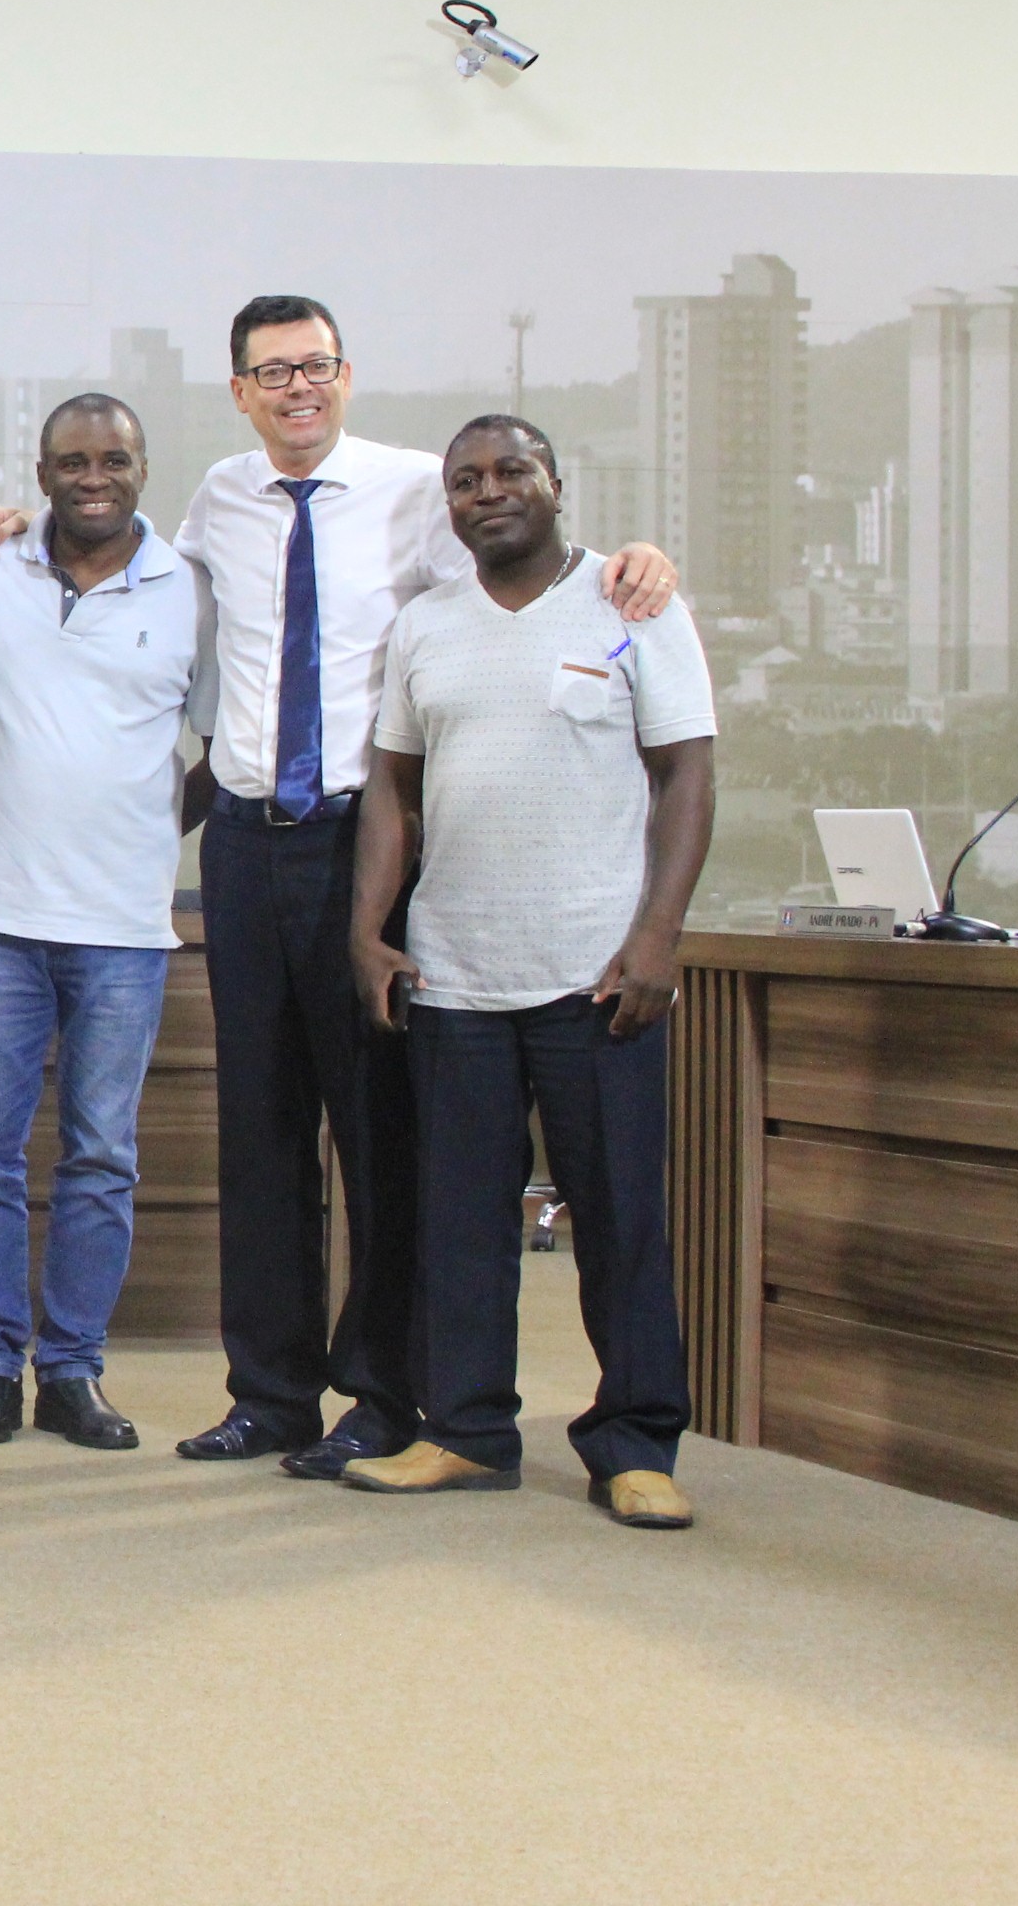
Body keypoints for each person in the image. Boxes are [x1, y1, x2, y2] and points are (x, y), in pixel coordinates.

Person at [0, 298, 677, 1481]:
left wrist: (635, 565)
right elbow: (136, 614)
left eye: (314, 366)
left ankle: (389, 1395)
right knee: (264, 1133)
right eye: (269, 372)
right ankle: (273, 1394)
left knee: (379, 1136)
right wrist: (9, 529)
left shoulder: (418, 492)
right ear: (238, 391)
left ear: (344, 375)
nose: (295, 387)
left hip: (371, 844)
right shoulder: (218, 503)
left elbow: (527, 566)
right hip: (247, 843)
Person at [344, 416, 713, 1525]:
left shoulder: (634, 604)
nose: (487, 493)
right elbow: (392, 792)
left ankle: (635, 1442)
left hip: (596, 975)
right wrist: (368, 929)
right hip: (455, 974)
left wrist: (658, 937)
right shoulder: (426, 626)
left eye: (511, 473)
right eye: (466, 482)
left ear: (557, 483)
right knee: (459, 1222)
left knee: (618, 1220)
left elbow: (687, 774)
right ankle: (466, 1431)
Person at [0, 396, 197, 1452]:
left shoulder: (193, 591)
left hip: (127, 933)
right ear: (40, 475)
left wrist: (135, 832)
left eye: (116, 459)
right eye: (74, 461)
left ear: (144, 468)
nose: (96, 476)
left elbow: (220, 752)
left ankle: (74, 1372)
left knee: (101, 1159)